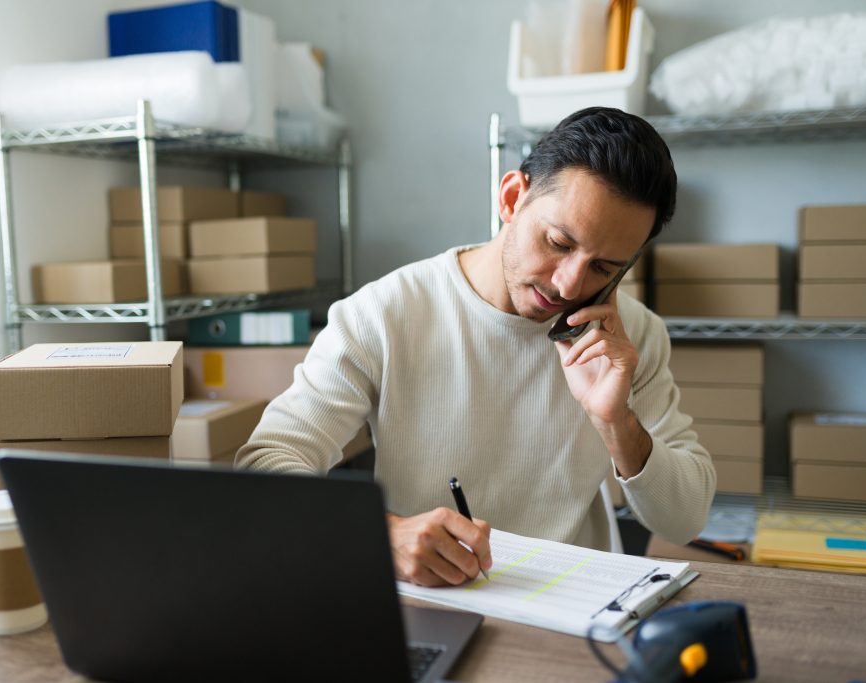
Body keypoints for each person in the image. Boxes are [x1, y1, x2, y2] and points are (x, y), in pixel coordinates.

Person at [236, 107, 716, 588]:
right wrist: (383, 535)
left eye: (604, 268)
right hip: (434, 598)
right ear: (512, 198)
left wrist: (616, 422)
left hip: (576, 607)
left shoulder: (631, 339)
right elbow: (266, 467)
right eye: (558, 243)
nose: (568, 285)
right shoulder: (382, 315)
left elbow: (684, 520)